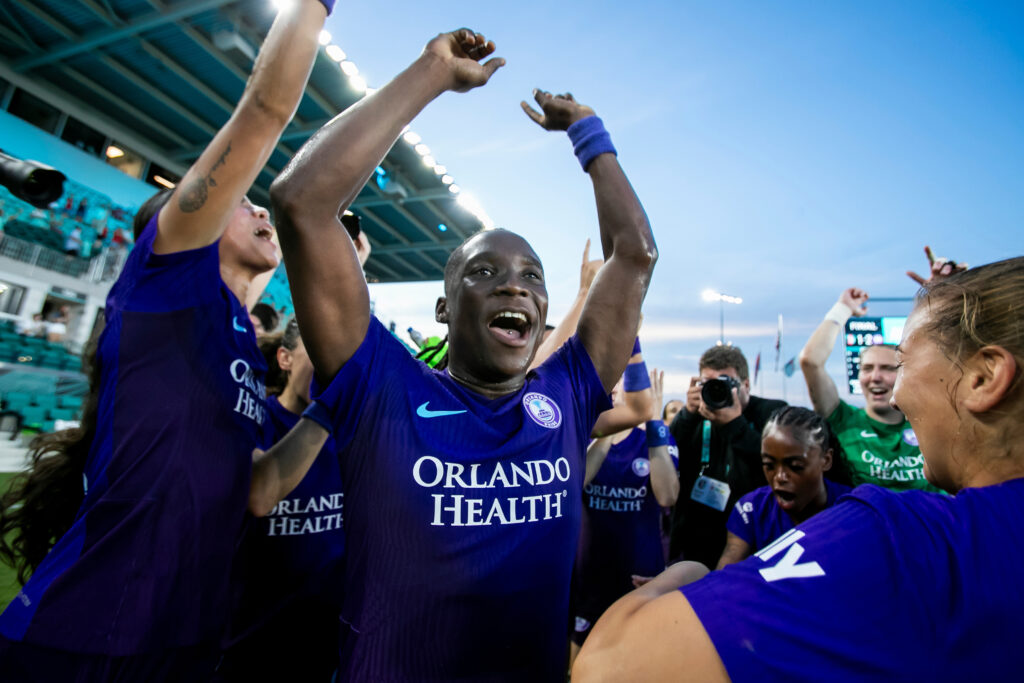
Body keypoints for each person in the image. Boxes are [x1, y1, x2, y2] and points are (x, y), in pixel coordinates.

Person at [255, 28, 657, 681]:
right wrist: (432, 73)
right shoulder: (382, 389)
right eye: (485, 272)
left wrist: (590, 134)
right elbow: (302, 202)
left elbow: (634, 255)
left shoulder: (568, 395)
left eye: (532, 275)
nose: (514, 284)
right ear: (444, 309)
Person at [0, 1, 332, 680]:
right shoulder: (167, 280)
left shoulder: (240, 338)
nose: (258, 203)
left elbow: (261, 486)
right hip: (85, 637)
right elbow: (266, 111)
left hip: (186, 644)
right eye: (241, 200)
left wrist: (336, 404)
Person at [573, 256, 1024, 682]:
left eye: (903, 362)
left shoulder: (890, 535)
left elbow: (612, 667)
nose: (897, 393)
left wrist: (686, 575)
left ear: (983, 379)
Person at [216, 318, 345, 683]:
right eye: (318, 351)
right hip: (251, 641)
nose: (330, 365)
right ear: (285, 359)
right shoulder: (251, 419)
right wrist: (326, 408)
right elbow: (258, 494)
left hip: (330, 642)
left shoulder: (357, 431)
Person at [571, 368, 678, 665]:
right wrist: (608, 431)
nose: (615, 387)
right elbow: (573, 485)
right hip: (590, 576)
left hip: (640, 576)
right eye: (610, 379)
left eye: (622, 380)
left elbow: (667, 495)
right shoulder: (582, 432)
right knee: (581, 663)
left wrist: (653, 420)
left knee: (641, 663)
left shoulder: (655, 437)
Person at [798, 286, 940, 491]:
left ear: (904, 374)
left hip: (928, 522)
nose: (875, 377)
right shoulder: (843, 420)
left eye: (887, 368)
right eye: (867, 368)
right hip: (865, 522)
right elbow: (810, 361)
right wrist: (843, 308)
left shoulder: (929, 422)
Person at [668, 345, 787, 569]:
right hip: (696, 538)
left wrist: (734, 424)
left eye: (725, 382)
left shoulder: (771, 412)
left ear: (746, 385)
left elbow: (774, 462)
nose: (716, 389)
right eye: (708, 382)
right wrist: (686, 415)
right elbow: (669, 453)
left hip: (752, 538)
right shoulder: (696, 417)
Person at [716, 406, 851, 569]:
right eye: (769, 465)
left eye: (795, 466)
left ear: (826, 460)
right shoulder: (753, 509)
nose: (780, 477)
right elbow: (724, 578)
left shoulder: (850, 509)